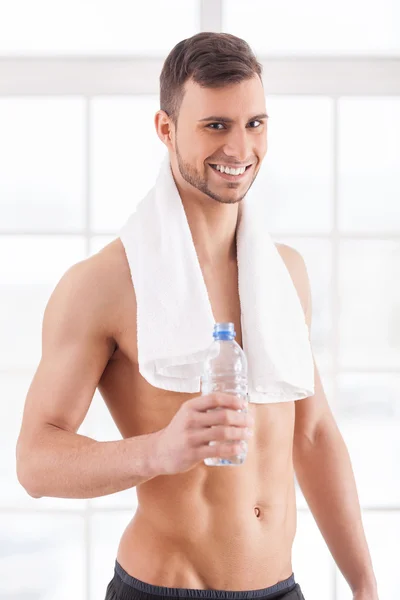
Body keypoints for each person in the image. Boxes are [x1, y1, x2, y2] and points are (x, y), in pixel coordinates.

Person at [16, 32, 378, 600]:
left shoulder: (286, 273)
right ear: (166, 129)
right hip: (163, 589)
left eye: (254, 124)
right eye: (216, 126)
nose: (239, 149)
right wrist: (160, 451)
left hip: (282, 589)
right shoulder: (103, 285)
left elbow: (311, 434)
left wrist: (365, 585)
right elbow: (34, 461)